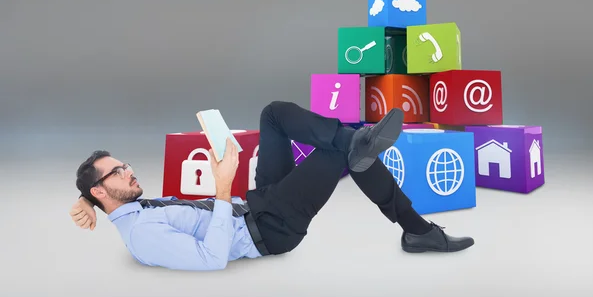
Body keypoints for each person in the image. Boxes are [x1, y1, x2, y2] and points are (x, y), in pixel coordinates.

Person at [70, 101, 474, 271]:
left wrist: (87, 201)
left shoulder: (127, 209)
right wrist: (223, 187)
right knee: (345, 155)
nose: (129, 171)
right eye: (118, 172)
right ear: (103, 191)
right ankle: (418, 230)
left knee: (274, 115)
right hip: (270, 229)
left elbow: (108, 197)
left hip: (256, 204)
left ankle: (353, 140)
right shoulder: (142, 235)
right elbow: (211, 259)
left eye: (124, 164)